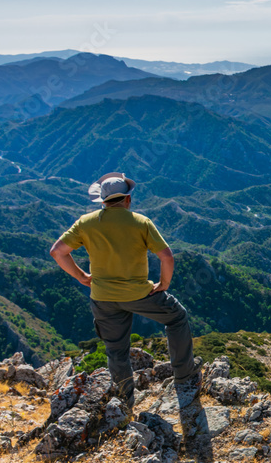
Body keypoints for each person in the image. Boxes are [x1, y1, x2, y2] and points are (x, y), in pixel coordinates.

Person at [50, 172, 201, 402]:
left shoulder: (86, 223)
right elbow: (167, 257)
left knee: (116, 349)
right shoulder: (140, 222)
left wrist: (81, 276)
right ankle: (184, 377)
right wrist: (164, 284)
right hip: (140, 294)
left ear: (102, 201)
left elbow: (57, 252)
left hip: (102, 297)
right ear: (127, 199)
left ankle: (123, 401)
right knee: (177, 317)